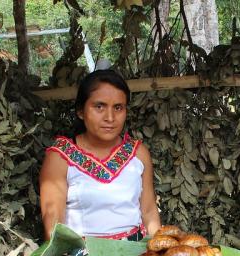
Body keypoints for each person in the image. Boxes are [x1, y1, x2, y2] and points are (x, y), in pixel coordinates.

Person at [39, 69, 161, 241]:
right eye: (99, 106)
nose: (110, 117)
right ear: (81, 111)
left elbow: (148, 211)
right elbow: (54, 226)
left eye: (118, 108)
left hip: (136, 255)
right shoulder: (60, 157)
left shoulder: (138, 153)